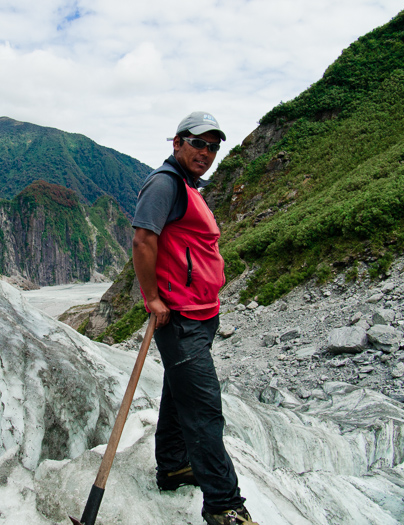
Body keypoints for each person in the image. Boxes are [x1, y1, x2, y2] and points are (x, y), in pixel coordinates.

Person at [131, 112, 255, 525]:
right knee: (204, 409)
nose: (207, 152)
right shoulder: (165, 183)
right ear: (177, 143)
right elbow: (144, 238)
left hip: (201, 315)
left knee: (179, 391)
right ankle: (224, 506)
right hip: (181, 319)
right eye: (198, 143)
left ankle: (173, 465)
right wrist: (152, 298)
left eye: (213, 146)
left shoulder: (188, 186)